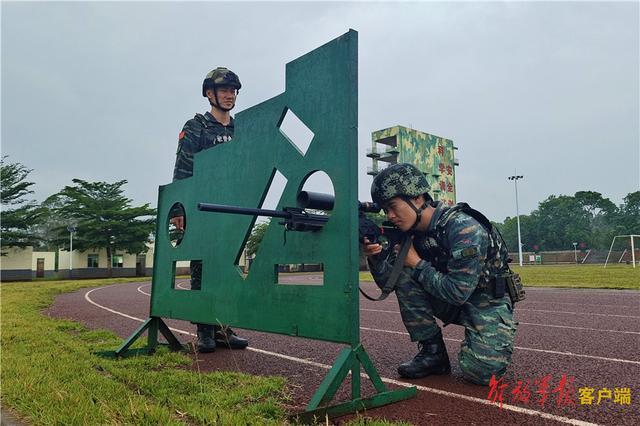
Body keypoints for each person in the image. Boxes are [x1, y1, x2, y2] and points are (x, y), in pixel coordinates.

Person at [363, 163, 518, 385]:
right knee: (405, 275)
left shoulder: (463, 228)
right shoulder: (409, 233)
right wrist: (375, 257)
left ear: (417, 198)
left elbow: (457, 293)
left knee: (482, 373)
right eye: (385, 210)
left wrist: (416, 263)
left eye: (393, 206)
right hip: (450, 295)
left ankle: (486, 339)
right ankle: (433, 353)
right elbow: (390, 283)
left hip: (487, 300)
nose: (390, 215)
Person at [171, 67, 249, 353]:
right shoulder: (197, 127)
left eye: (233, 91)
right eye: (224, 90)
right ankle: (205, 330)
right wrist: (179, 209)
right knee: (202, 270)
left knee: (229, 270)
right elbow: (183, 169)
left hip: (233, 211)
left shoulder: (241, 128)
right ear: (209, 93)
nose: (230, 95)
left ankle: (223, 328)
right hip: (201, 209)